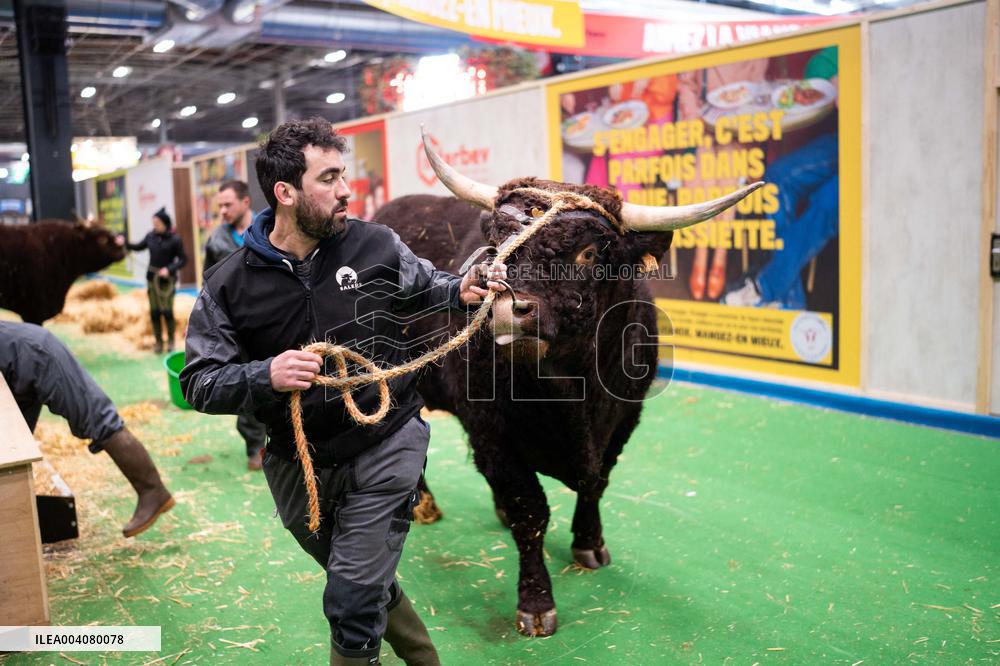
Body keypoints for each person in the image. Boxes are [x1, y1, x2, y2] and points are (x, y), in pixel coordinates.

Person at [179, 117, 506, 665]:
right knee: (362, 578)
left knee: (351, 595)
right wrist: (265, 376)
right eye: (328, 178)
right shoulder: (229, 283)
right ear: (286, 193)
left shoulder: (375, 243)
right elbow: (198, 383)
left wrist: (464, 290)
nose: (346, 190)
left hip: (388, 440)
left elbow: (429, 287)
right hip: (297, 463)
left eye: (343, 175)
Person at [0, 321, 175, 537]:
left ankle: (152, 491)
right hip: (19, 367)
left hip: (37, 357)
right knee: (14, 443)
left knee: (99, 420)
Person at [204, 180, 268, 470]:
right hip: (236, 326)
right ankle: (256, 447)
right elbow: (208, 285)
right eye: (220, 205)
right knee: (248, 382)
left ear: (245, 202)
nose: (223, 210)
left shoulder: (271, 229)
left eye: (228, 204)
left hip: (272, 319)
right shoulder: (216, 241)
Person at [119, 208, 188, 353]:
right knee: (155, 312)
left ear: (165, 223)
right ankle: (158, 343)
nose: (154, 225)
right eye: (153, 222)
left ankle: (170, 342)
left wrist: (169, 269)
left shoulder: (175, 239)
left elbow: (183, 260)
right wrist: (124, 242)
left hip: (167, 281)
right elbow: (138, 247)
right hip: (152, 278)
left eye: (157, 222)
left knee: (167, 312)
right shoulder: (150, 236)